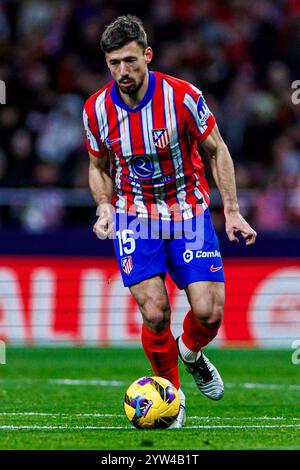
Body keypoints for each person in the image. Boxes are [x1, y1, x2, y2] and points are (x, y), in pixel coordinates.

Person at [83, 15, 257, 428]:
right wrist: (104, 206)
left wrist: (231, 209)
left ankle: (191, 353)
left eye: (129, 61)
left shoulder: (181, 97)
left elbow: (217, 150)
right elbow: (97, 166)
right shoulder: (97, 110)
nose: (122, 72)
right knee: (156, 313)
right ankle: (171, 398)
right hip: (134, 218)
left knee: (209, 312)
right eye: (113, 64)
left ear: (147, 54)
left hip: (188, 214)